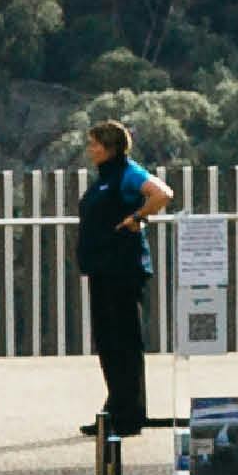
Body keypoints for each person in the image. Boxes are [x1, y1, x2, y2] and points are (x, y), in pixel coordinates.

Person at [73, 118, 171, 443]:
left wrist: (137, 218)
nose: (90, 149)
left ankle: (128, 413)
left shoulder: (129, 172)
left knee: (124, 342)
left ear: (110, 147)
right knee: (107, 342)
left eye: (95, 144)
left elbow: (162, 194)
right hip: (102, 269)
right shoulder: (105, 177)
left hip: (122, 270)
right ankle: (116, 406)